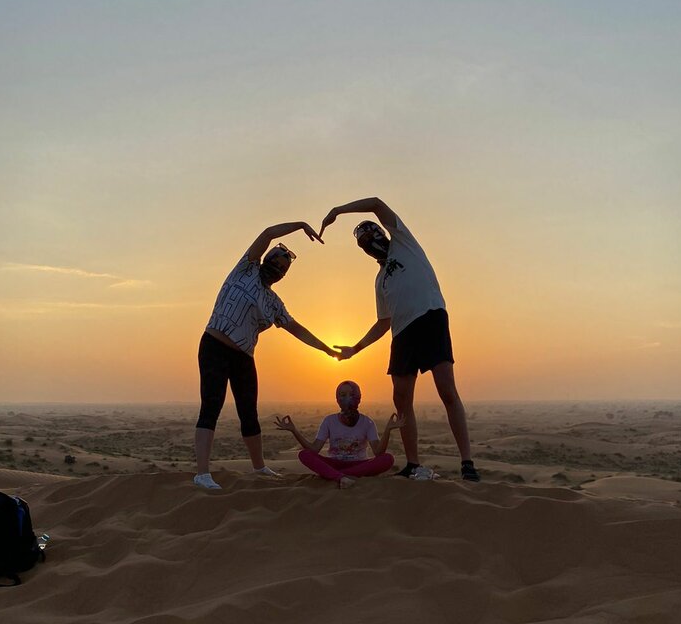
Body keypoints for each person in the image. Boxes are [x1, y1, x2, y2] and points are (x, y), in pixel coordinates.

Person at [319, 196, 480, 481]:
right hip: (402, 333)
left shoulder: (403, 242)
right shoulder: (380, 279)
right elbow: (384, 322)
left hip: (430, 317)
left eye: (372, 233)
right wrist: (355, 348)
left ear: (381, 231)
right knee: (401, 398)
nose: (370, 240)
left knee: (446, 390)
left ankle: (467, 463)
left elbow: (376, 204)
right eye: (364, 241)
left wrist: (338, 211)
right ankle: (413, 464)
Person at [194, 222, 338, 490]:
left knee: (248, 411)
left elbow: (296, 328)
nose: (278, 270)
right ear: (266, 259)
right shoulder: (245, 269)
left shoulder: (273, 302)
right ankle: (203, 473)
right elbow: (268, 233)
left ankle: (259, 466)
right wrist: (300, 226)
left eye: (283, 269)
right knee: (211, 406)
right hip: (214, 346)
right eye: (276, 263)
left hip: (243, 357)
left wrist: (326, 349)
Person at [274, 380, 403, 489]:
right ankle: (339, 476)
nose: (347, 398)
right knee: (304, 454)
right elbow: (314, 449)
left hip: (359, 464)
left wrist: (388, 430)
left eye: (351, 394)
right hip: (334, 463)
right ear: (337, 398)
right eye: (343, 395)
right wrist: (294, 430)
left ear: (358, 397)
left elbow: (378, 452)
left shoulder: (367, 422)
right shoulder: (329, 421)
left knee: (388, 459)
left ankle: (336, 475)